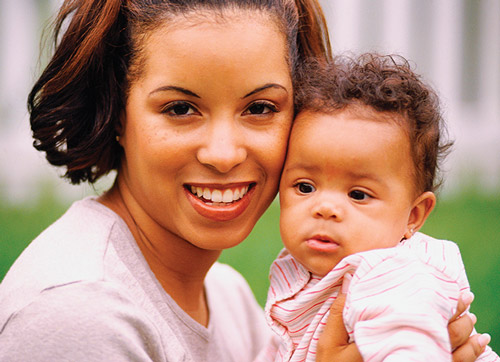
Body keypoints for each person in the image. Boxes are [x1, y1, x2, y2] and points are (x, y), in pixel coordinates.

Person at [0, 0, 483, 360]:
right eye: (181, 109)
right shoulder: (77, 315)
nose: (224, 154)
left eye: (260, 108)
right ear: (117, 114)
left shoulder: (227, 297)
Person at [262, 54, 499, 361]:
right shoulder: (303, 269)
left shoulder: (395, 274)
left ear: (413, 216)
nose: (325, 208)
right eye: (305, 187)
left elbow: (412, 349)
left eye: (358, 195)